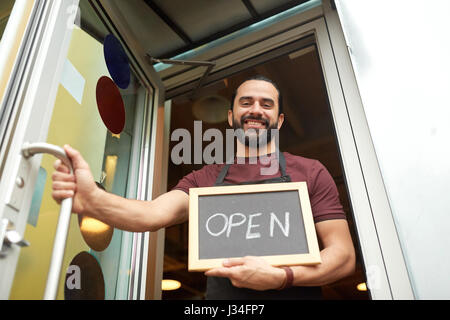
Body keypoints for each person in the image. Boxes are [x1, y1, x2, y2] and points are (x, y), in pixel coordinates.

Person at [52, 75, 355, 299]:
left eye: (267, 104)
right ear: (231, 116)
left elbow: (342, 255)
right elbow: (150, 214)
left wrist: (280, 278)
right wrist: (93, 198)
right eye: (246, 102)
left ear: (278, 121)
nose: (256, 110)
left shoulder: (310, 171)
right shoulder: (203, 179)